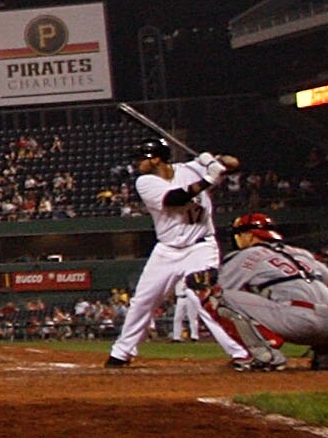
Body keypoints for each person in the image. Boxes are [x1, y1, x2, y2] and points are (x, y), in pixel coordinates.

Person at [108, 145, 274, 370]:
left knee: (203, 299)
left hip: (201, 247)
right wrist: (208, 178)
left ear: (156, 159)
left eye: (141, 159)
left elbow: (234, 163)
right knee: (143, 301)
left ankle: (243, 354)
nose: (138, 164)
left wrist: (213, 159)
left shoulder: (191, 168)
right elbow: (174, 199)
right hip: (167, 249)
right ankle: (121, 352)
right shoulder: (145, 182)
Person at [214, 210, 328, 370]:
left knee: (217, 297)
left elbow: (221, 289)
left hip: (298, 324)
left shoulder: (245, 255)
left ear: (249, 236)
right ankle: (326, 353)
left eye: (239, 234)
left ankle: (264, 355)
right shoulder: (302, 253)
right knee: (307, 295)